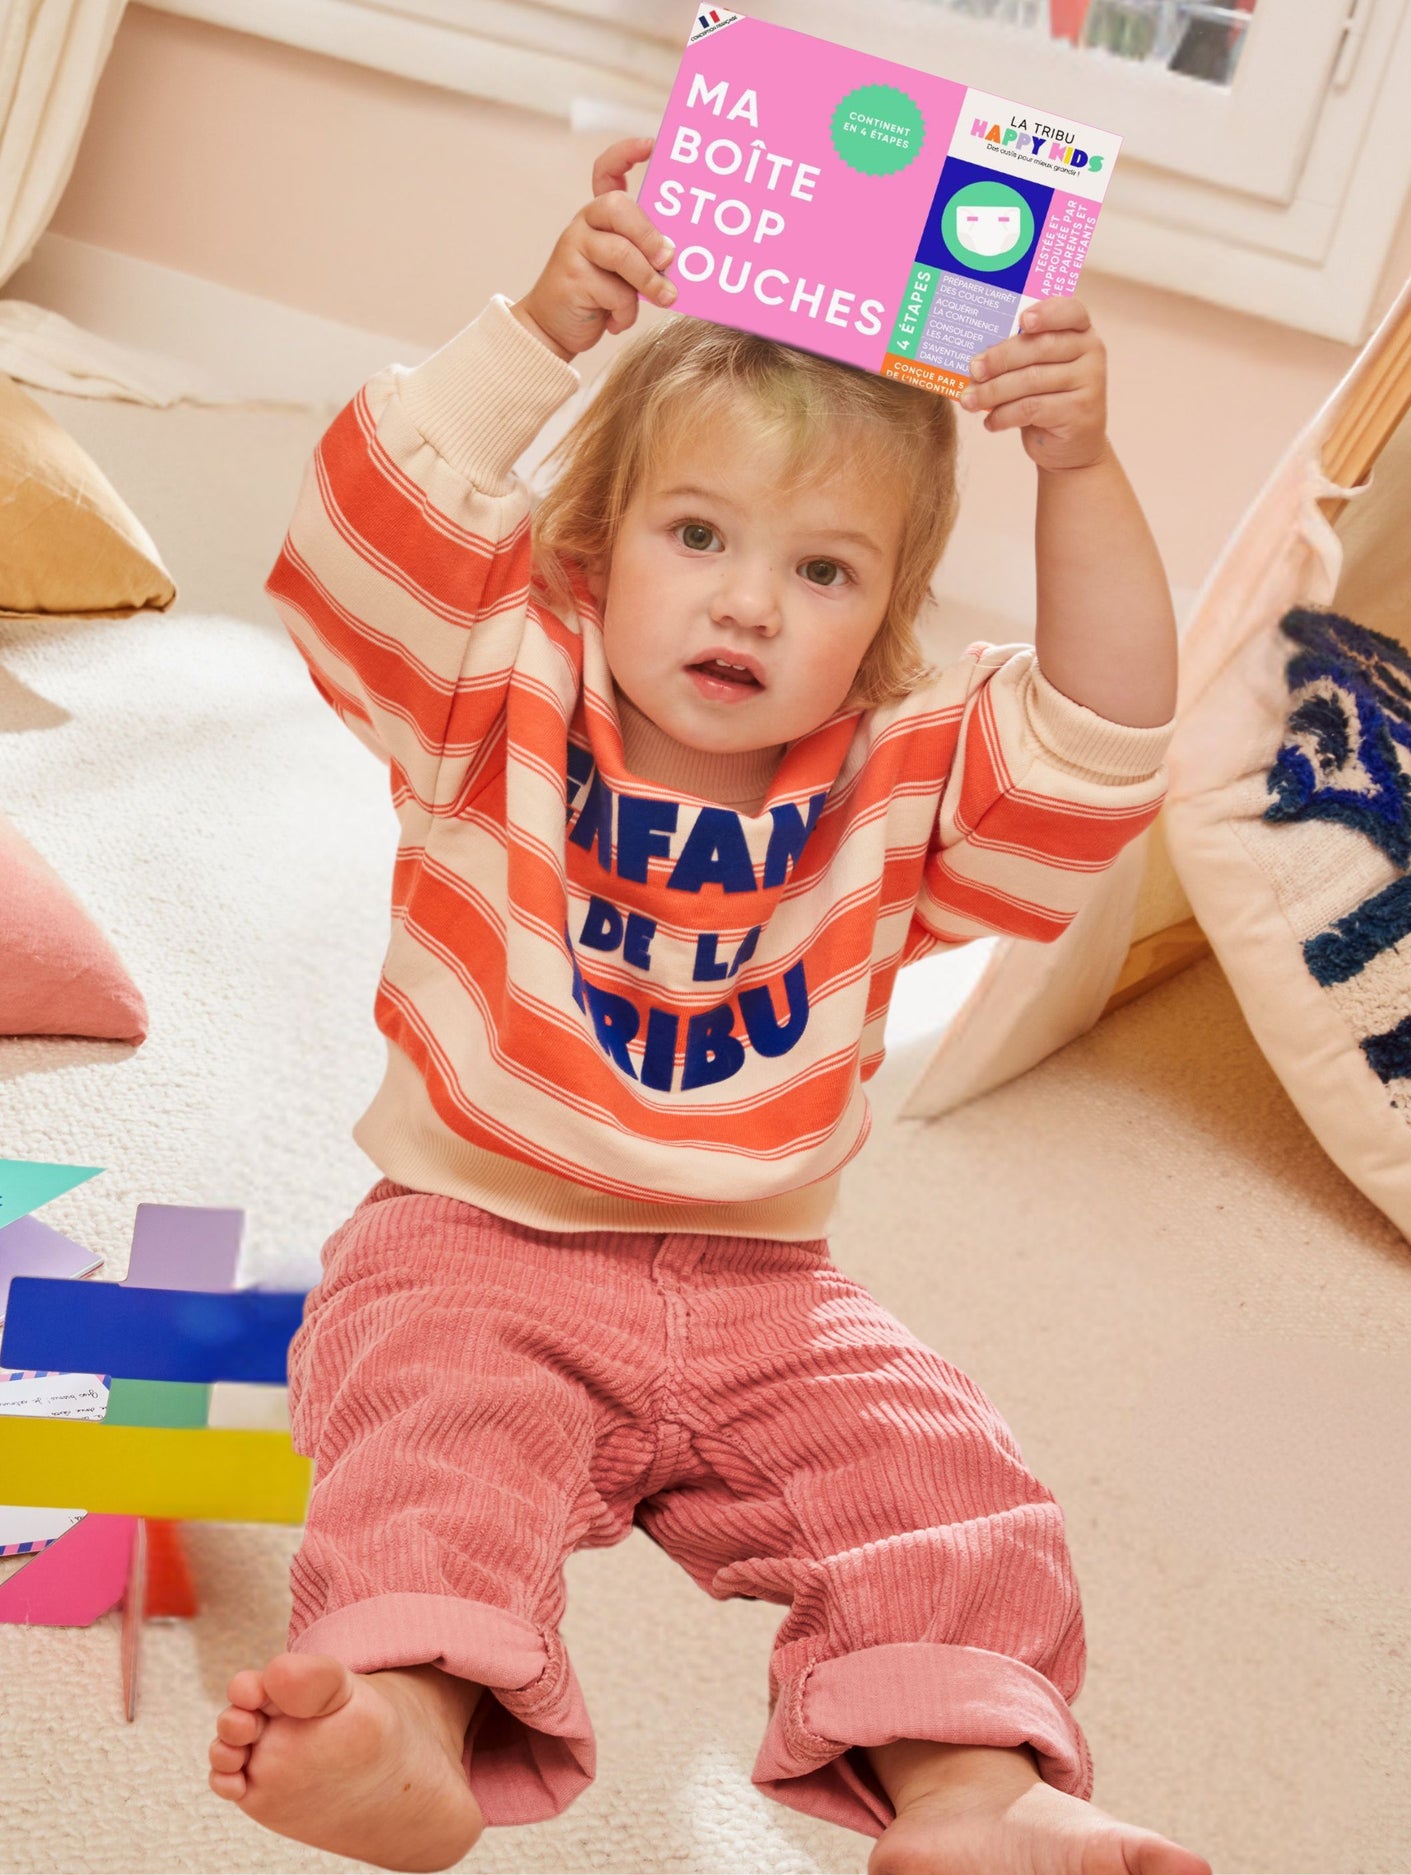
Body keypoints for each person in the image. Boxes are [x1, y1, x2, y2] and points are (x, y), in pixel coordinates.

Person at [206, 136, 1211, 1875]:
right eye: (698, 533)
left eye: (825, 572)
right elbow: (369, 521)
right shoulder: (492, 682)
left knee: (949, 1483)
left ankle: (974, 1800)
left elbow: (1109, 735)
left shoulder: (898, 774)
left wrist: (1081, 463)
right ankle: (407, 1731)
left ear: (888, 623)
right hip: (476, 1237)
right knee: (434, 1446)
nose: (751, 597)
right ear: (597, 551)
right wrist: (545, 322)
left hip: (767, 1282)